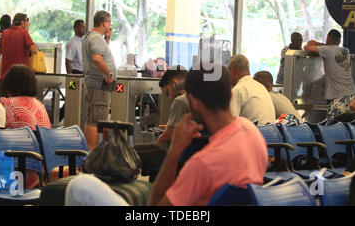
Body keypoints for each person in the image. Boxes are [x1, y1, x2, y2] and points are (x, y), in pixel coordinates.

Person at [65, 64, 268, 206]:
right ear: (230, 95)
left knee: (81, 186)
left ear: (194, 102)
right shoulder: (253, 134)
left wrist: (174, 150)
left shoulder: (203, 164)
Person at [134, 67, 188, 180]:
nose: (170, 97)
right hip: (188, 148)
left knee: (130, 151)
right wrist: (169, 128)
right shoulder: (195, 97)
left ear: (174, 83)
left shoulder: (180, 101)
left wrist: (155, 144)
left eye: (168, 92)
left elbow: (169, 135)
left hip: (174, 151)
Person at [304, 29, 355, 121]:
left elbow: (307, 46)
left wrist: (319, 43)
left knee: (333, 129)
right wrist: (326, 45)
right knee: (349, 128)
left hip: (338, 98)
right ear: (340, 41)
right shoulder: (345, 50)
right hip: (353, 97)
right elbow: (332, 48)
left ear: (328, 38)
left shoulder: (327, 50)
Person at [82, 10, 116, 150]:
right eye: (109, 22)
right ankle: (92, 152)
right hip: (99, 85)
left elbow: (101, 53)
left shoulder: (92, 37)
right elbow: (97, 58)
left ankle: (92, 151)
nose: (110, 25)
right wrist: (108, 75)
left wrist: (107, 38)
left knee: (93, 119)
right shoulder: (96, 38)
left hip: (94, 84)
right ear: (103, 22)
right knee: (96, 121)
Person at [228, 54, 276, 125]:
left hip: (253, 133)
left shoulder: (237, 90)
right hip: (271, 133)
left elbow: (230, 124)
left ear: (232, 71)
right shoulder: (261, 87)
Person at [0, 64, 51, 130]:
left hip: (22, 139)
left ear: (8, 83)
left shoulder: (5, 103)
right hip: (44, 139)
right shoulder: (40, 105)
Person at [0, 13, 38, 81]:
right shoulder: (24, 33)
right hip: (21, 75)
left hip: (5, 75)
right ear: (22, 22)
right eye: (27, 20)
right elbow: (34, 50)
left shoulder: (5, 33)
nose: (29, 24)